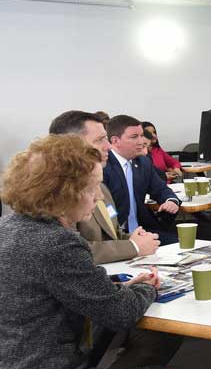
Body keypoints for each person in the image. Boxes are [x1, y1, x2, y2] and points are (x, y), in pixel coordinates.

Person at [0, 134, 189, 369]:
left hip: (12, 364)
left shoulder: (8, 227)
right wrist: (146, 289)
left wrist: (117, 290)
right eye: (93, 188)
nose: (99, 196)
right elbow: (120, 313)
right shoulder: (58, 242)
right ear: (67, 193)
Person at [49, 110, 160, 264]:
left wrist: (139, 240)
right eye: (100, 139)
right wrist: (133, 246)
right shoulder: (53, 193)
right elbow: (70, 252)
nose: (108, 146)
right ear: (70, 145)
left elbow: (112, 234)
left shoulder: (99, 186)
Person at [103, 115, 181, 245]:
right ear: (115, 141)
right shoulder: (104, 165)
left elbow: (160, 188)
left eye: (141, 135)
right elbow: (104, 206)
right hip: (117, 235)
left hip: (144, 229)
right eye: (134, 137)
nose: (140, 141)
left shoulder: (143, 162)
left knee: (180, 246)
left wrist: (171, 200)